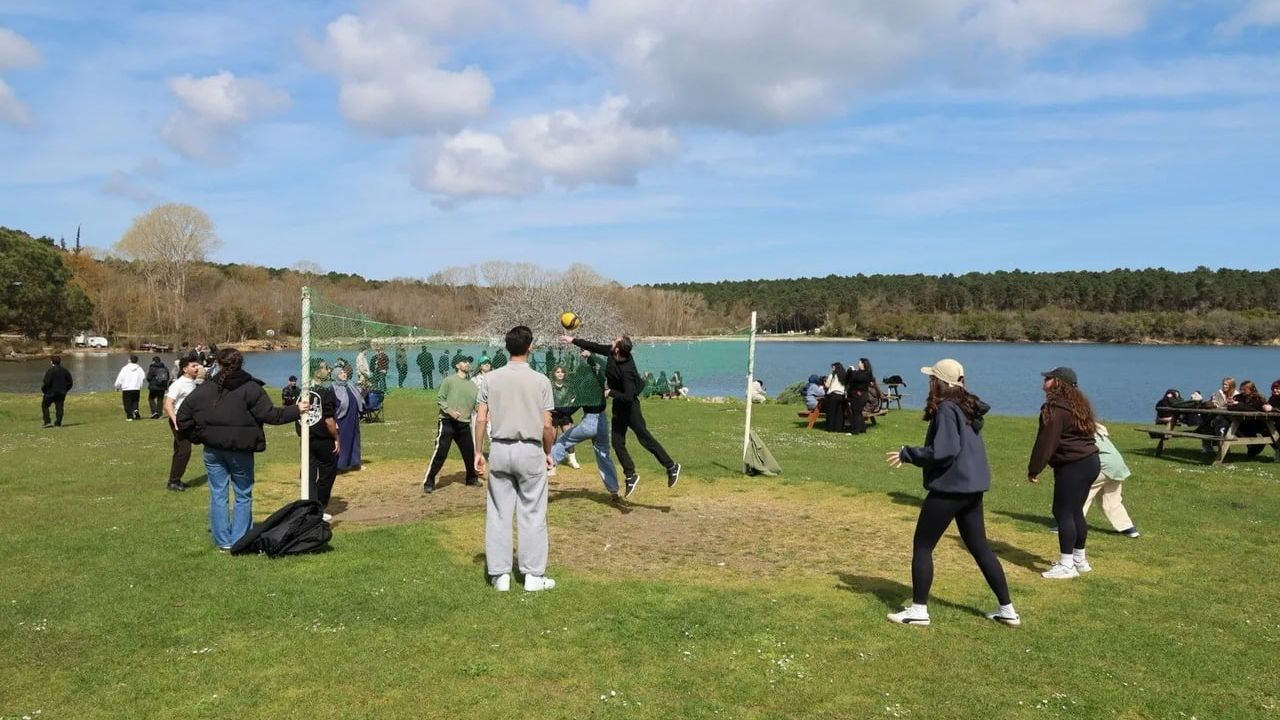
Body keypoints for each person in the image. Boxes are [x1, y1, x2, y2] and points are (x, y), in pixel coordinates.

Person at [884, 358, 1019, 627]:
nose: (929, 382)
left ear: (940, 382)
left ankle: (919, 610)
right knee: (980, 547)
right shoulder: (965, 406)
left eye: (932, 378)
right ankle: (1008, 610)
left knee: (922, 546)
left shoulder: (946, 408)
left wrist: (908, 454)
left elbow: (944, 450)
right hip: (972, 489)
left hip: (951, 488)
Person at [177, 348, 307, 550]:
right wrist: (296, 410)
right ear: (241, 363)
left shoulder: (207, 389)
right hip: (239, 450)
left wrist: (200, 436)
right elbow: (272, 415)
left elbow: (182, 416)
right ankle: (239, 540)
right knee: (242, 494)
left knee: (218, 494)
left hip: (214, 450)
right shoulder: (250, 388)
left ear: (219, 364)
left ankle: (224, 541)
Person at [475, 326, 556, 592]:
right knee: (532, 512)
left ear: (507, 347)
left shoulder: (490, 379)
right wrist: (548, 451)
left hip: (500, 448)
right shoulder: (541, 380)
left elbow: (482, 417)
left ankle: (500, 575)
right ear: (529, 347)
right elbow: (547, 425)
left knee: (499, 512)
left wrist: (478, 451)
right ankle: (533, 575)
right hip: (530, 449)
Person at [564, 333, 681, 498]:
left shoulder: (627, 371)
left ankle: (671, 466)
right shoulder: (614, 353)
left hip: (630, 407)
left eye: (614, 341)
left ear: (618, 348)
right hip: (619, 407)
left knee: (644, 438)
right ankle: (631, 475)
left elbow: (628, 395)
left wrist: (610, 392)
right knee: (617, 443)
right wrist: (574, 341)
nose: (611, 341)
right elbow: (595, 346)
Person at [1028, 366, 1101, 580]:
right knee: (1075, 511)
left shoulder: (1054, 408)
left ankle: (1067, 565)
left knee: (1063, 512)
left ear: (1058, 383)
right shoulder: (1079, 405)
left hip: (1074, 465)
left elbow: (1046, 442)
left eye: (1048, 378)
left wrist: (1034, 468)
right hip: (1090, 462)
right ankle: (1080, 560)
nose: (1044, 382)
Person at [550, 350, 619, 498]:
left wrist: (554, 410)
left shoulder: (584, 388)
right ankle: (613, 490)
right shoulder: (600, 382)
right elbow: (604, 365)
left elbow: (570, 410)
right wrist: (592, 356)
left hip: (589, 423)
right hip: (602, 422)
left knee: (563, 441)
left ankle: (546, 468)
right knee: (603, 455)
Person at [423, 355, 480, 493]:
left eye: (468, 362)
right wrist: (450, 411)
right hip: (447, 422)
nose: (467, 364)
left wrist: (484, 412)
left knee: (469, 453)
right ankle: (429, 481)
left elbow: (476, 405)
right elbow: (440, 399)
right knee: (440, 453)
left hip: (464, 424)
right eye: (464, 362)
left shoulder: (472, 385)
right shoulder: (449, 381)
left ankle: (471, 478)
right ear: (456, 365)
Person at [1083, 423, 1141, 538]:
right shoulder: (1097, 430)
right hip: (1117, 467)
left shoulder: (1081, 431)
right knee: (1111, 499)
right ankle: (1128, 528)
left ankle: (1068, 525)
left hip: (1104, 466)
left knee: (1080, 493)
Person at [302, 359, 341, 516]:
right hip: (322, 439)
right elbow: (329, 420)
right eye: (325, 368)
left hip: (306, 438)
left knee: (309, 475)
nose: (328, 370)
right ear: (316, 372)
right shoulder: (325, 392)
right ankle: (318, 506)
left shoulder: (302, 390)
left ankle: (310, 506)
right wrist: (336, 438)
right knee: (327, 473)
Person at [163, 355, 202, 492]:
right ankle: (173, 482)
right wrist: (175, 421)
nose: (197, 368)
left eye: (197, 365)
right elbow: (168, 404)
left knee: (179, 450)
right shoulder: (178, 384)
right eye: (194, 366)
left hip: (188, 421)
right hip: (179, 421)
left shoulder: (192, 382)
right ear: (185, 369)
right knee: (184, 451)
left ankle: (175, 480)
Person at [332, 365, 365, 472]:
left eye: (344, 372)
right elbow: (332, 406)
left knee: (354, 439)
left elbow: (359, 398)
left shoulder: (350, 385)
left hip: (353, 418)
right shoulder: (333, 389)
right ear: (336, 375)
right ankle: (340, 465)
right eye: (341, 373)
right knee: (343, 441)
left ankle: (355, 463)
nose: (344, 374)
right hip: (341, 419)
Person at [550, 365, 581, 471]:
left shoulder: (568, 386)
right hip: (553, 415)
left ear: (564, 374)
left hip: (565, 415)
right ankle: (551, 459)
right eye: (557, 372)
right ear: (554, 374)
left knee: (569, 436)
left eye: (562, 372)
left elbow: (574, 397)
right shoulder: (550, 386)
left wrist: (571, 403)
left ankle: (572, 459)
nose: (560, 374)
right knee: (552, 438)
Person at [1232, 380, 1269, 457]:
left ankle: (1254, 446)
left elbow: (1253, 408)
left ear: (1251, 390)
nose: (1241, 391)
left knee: (1237, 427)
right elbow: (1231, 406)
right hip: (1244, 422)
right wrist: (1231, 403)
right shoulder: (1238, 397)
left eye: (1244, 390)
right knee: (1232, 425)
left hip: (1257, 423)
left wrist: (1239, 405)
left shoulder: (1258, 398)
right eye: (1241, 389)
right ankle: (1253, 446)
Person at [40, 355, 73, 428]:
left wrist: (44, 390)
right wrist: (65, 389)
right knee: (59, 407)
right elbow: (70, 382)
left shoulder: (50, 371)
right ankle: (58, 423)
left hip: (50, 393)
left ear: (51, 362)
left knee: (45, 406)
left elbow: (46, 382)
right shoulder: (65, 371)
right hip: (61, 393)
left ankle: (47, 422)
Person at [845, 358, 874, 434]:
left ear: (864, 364)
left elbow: (857, 378)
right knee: (858, 412)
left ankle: (855, 431)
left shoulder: (867, 373)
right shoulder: (860, 372)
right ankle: (862, 429)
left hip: (860, 395)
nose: (858, 364)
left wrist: (854, 371)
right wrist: (850, 371)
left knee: (856, 413)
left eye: (860, 363)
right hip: (856, 395)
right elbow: (849, 380)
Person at [114, 354, 147, 421]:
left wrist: (117, 386)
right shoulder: (139, 368)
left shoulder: (125, 368)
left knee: (127, 402)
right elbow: (143, 376)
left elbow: (120, 378)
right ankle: (135, 410)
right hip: (136, 388)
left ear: (130, 360)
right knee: (135, 401)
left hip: (127, 388)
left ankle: (129, 416)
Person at [823, 363, 847, 432]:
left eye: (833, 368)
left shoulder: (832, 375)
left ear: (835, 368)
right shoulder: (844, 376)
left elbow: (827, 385)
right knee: (839, 413)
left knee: (831, 413)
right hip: (841, 396)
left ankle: (830, 428)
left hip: (833, 395)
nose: (832, 369)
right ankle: (838, 428)